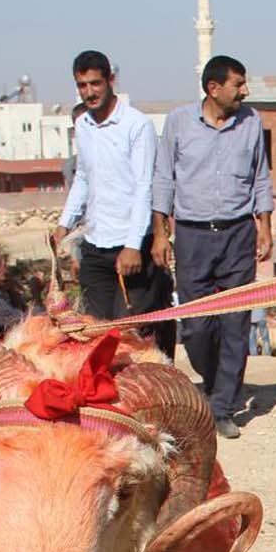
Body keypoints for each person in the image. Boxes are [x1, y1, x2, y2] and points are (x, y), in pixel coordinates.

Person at [152, 54, 272, 439]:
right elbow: (164, 179)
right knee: (197, 326)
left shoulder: (251, 122)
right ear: (213, 88)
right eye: (239, 84)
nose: (245, 91)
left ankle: (223, 407)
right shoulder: (178, 123)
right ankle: (214, 380)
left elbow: (260, 177)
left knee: (236, 323)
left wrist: (265, 225)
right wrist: (160, 232)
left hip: (238, 233)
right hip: (192, 236)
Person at [51, 51, 174, 358]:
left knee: (134, 335)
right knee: (96, 333)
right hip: (96, 244)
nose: (89, 92)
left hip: (131, 247)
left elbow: (144, 187)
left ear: (110, 81)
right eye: (82, 86)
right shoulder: (83, 125)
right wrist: (64, 224)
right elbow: (83, 179)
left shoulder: (136, 125)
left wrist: (133, 245)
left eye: (95, 83)